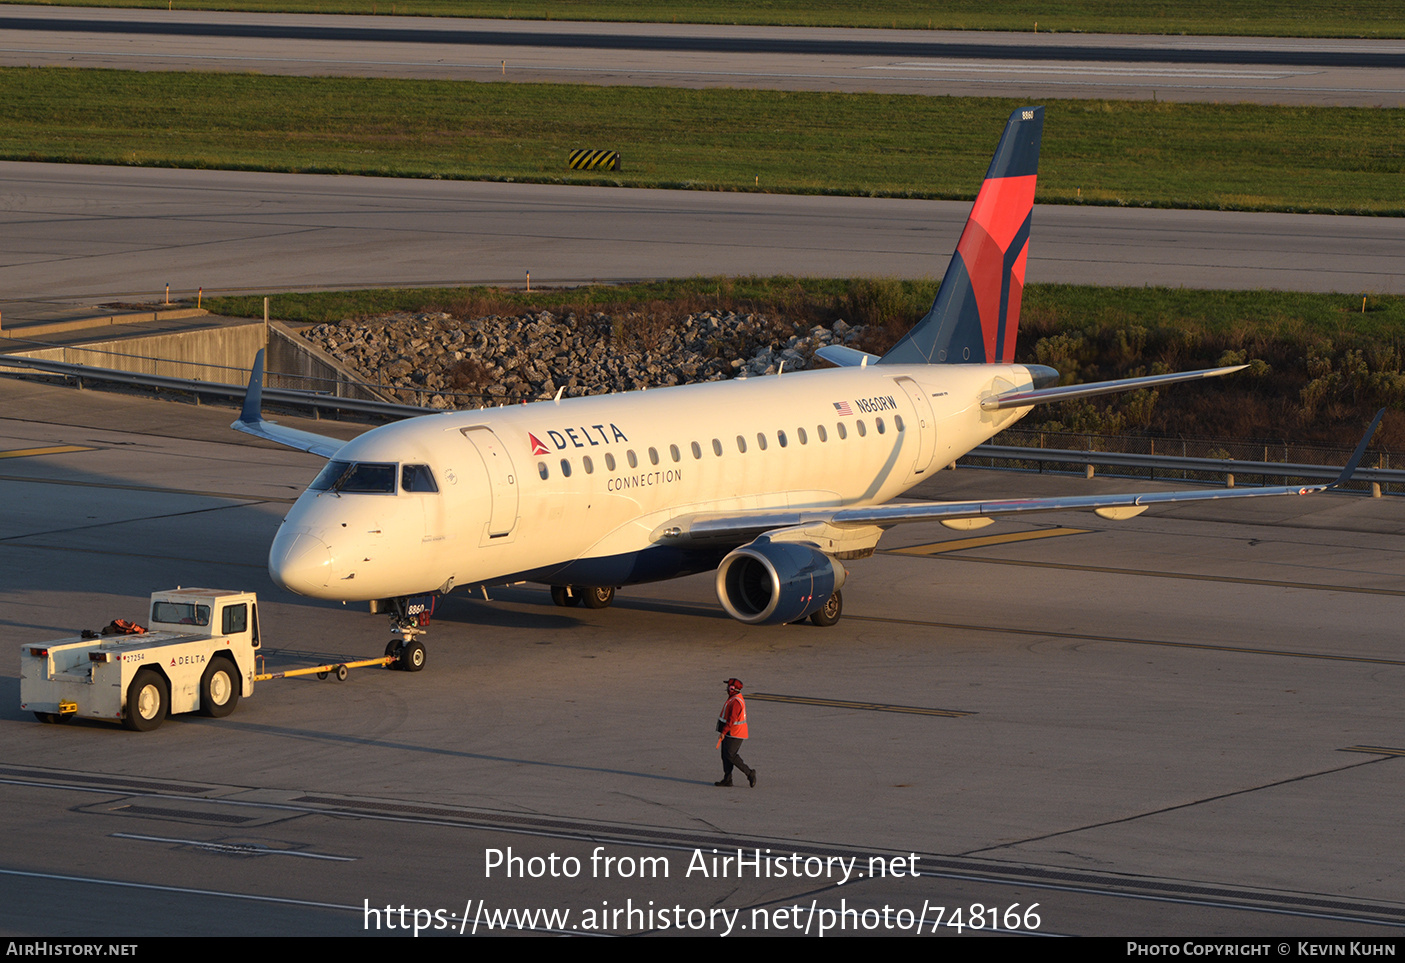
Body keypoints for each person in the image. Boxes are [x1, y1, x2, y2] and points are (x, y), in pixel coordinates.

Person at [715, 677, 756, 788]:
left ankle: (749, 773)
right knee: (725, 755)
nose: (727, 688)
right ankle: (727, 779)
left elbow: (731, 720)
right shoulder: (733, 698)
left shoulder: (736, 702)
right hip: (731, 732)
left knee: (730, 755)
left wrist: (723, 732)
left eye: (729, 686)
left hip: (735, 733)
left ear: (733, 689)